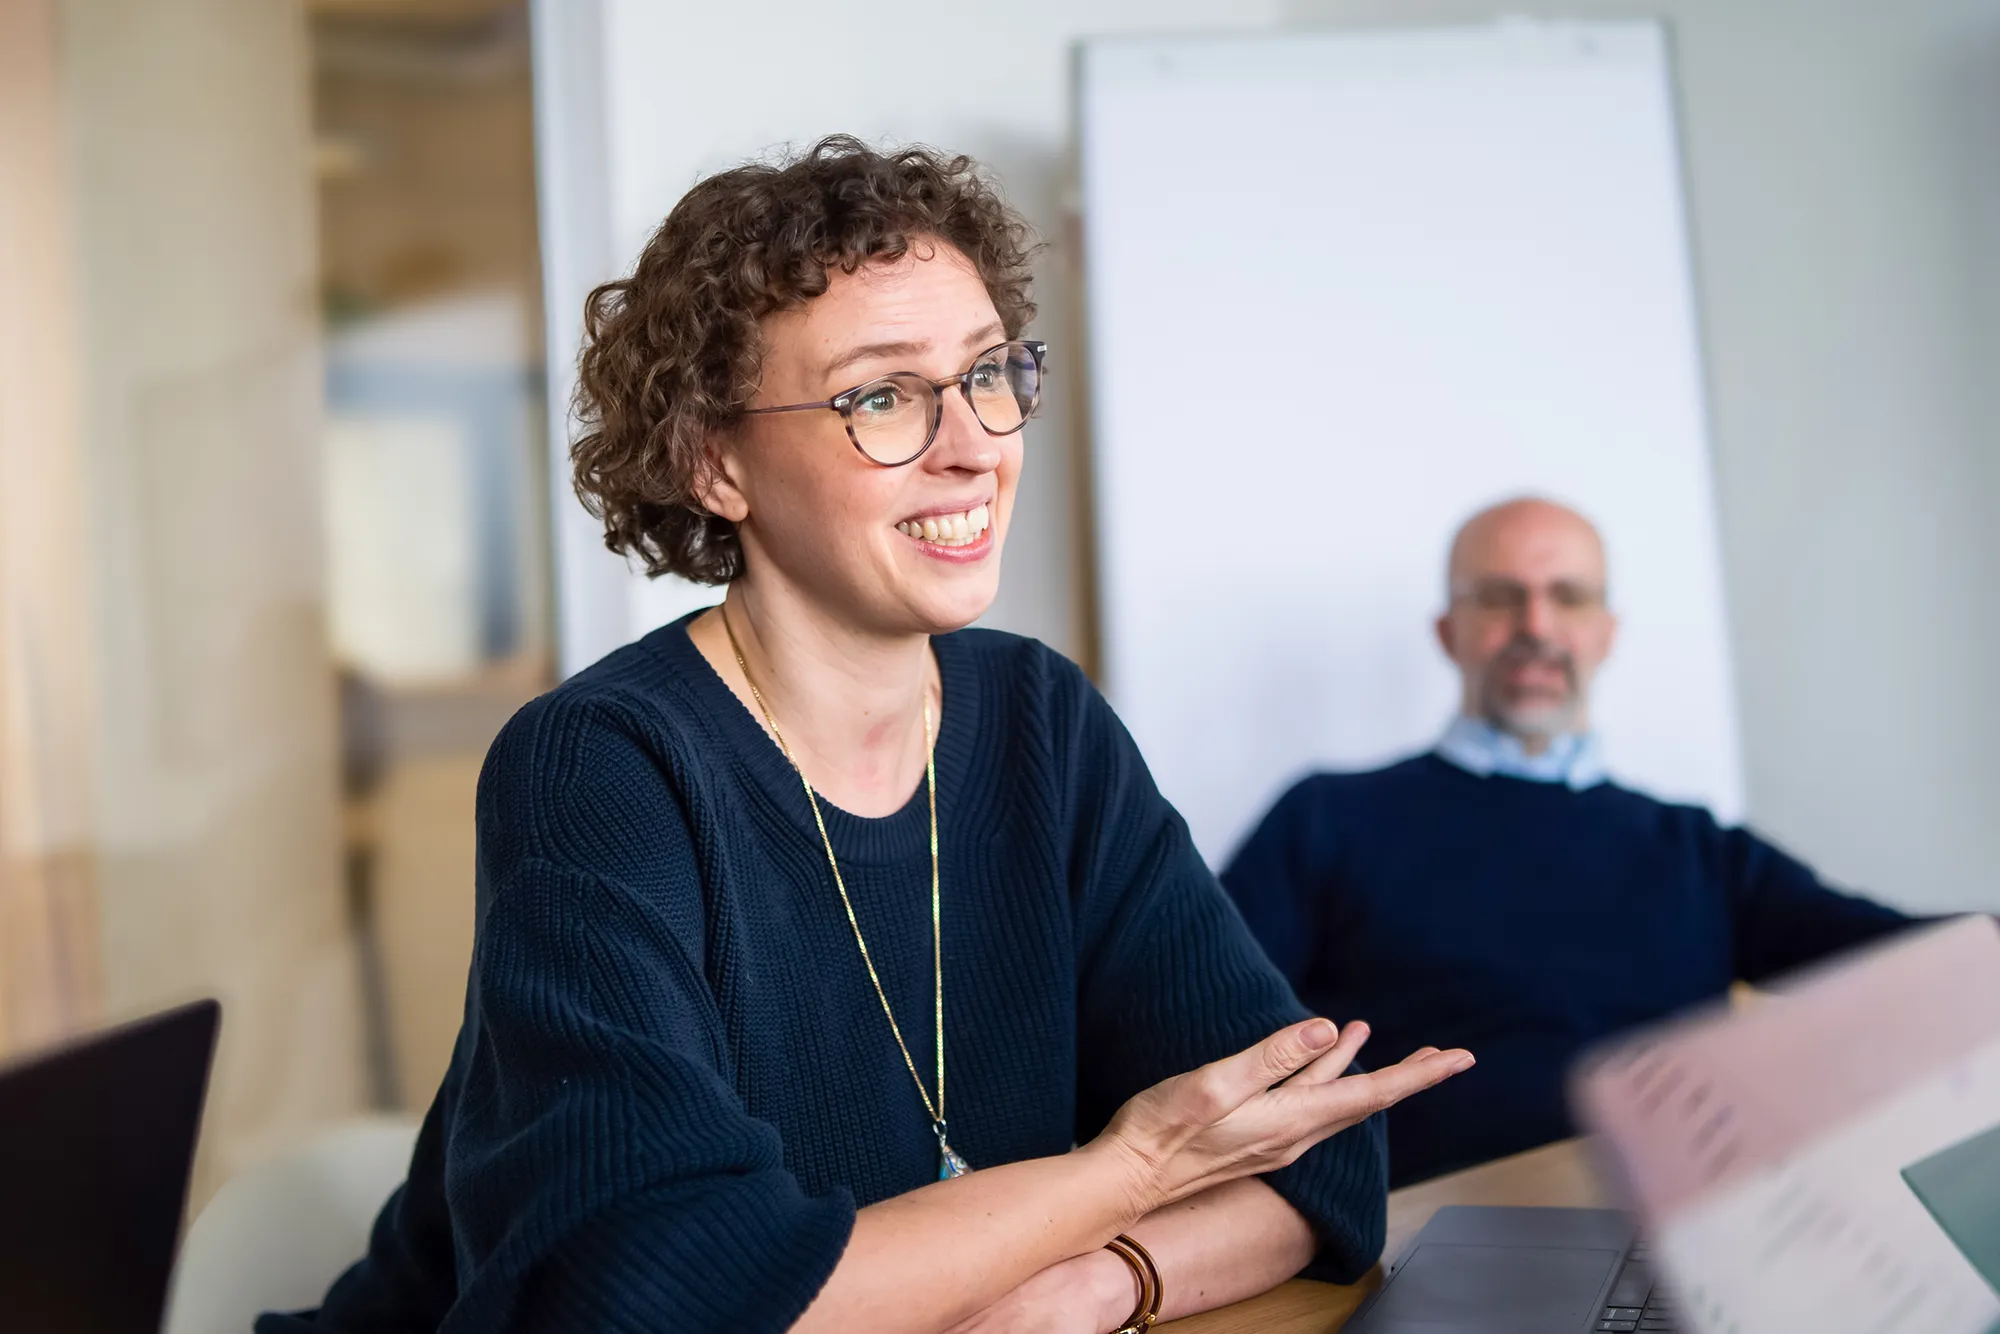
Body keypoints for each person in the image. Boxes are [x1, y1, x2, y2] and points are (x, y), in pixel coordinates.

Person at [258, 138, 1471, 1334]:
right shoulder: (600, 765)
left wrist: (1094, 1282)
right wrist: (1132, 1173)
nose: (971, 446)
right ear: (712, 460)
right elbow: (668, 1290)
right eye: (881, 395)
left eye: (989, 374)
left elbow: (1314, 1157)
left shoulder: (1038, 724)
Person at [1222, 497, 1914, 1189]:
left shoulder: (1698, 848)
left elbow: (1896, 951)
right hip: (1416, 1232)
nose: (1535, 625)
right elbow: (1206, 1008)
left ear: (1607, 632)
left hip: (1667, 1227)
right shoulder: (1325, 818)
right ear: (1447, 631)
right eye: (1499, 597)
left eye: (1569, 597)